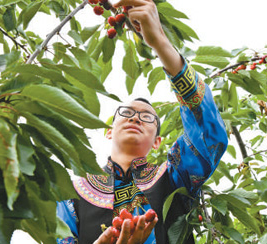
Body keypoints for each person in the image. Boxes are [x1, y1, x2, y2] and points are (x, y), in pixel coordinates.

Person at [56, 0, 229, 243]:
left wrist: (160, 42)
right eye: (126, 113)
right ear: (109, 132)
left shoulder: (174, 176)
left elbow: (210, 135)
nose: (136, 117)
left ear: (157, 141)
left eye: (147, 117)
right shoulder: (70, 193)